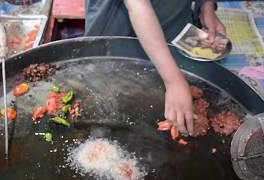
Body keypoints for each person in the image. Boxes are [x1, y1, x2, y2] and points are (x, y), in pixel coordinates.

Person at [84, 0, 226, 136]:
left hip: (175, 29)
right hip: (121, 40)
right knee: (111, 110)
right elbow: (138, 6)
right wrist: (174, 81)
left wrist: (206, 6)